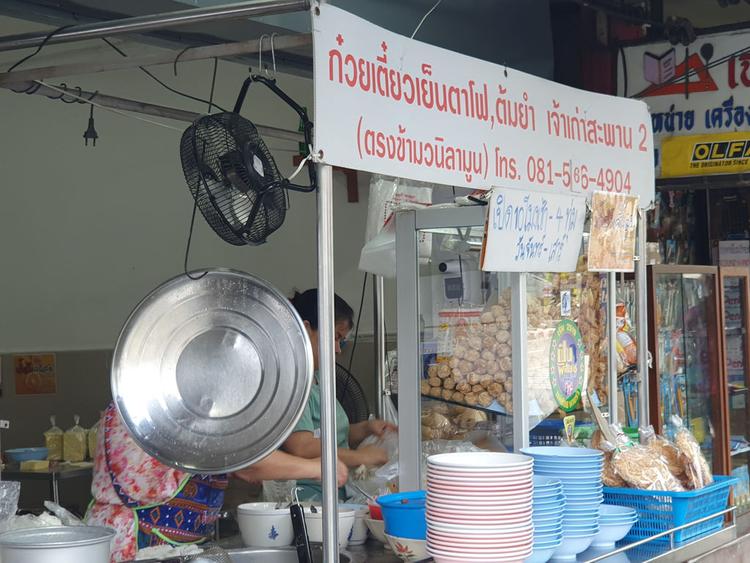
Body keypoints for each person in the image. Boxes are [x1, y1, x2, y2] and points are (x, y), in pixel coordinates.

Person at [86, 402, 348, 562]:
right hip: (137, 547)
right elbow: (247, 463)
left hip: (171, 546)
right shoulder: (167, 405)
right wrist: (318, 468)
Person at [283, 289, 397, 500]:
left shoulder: (317, 378)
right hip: (307, 500)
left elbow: (329, 433)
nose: (338, 350)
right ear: (306, 329)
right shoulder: (290, 382)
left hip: (335, 494)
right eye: (335, 338)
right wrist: (360, 456)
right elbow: (302, 445)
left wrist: (365, 429)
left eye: (341, 341)